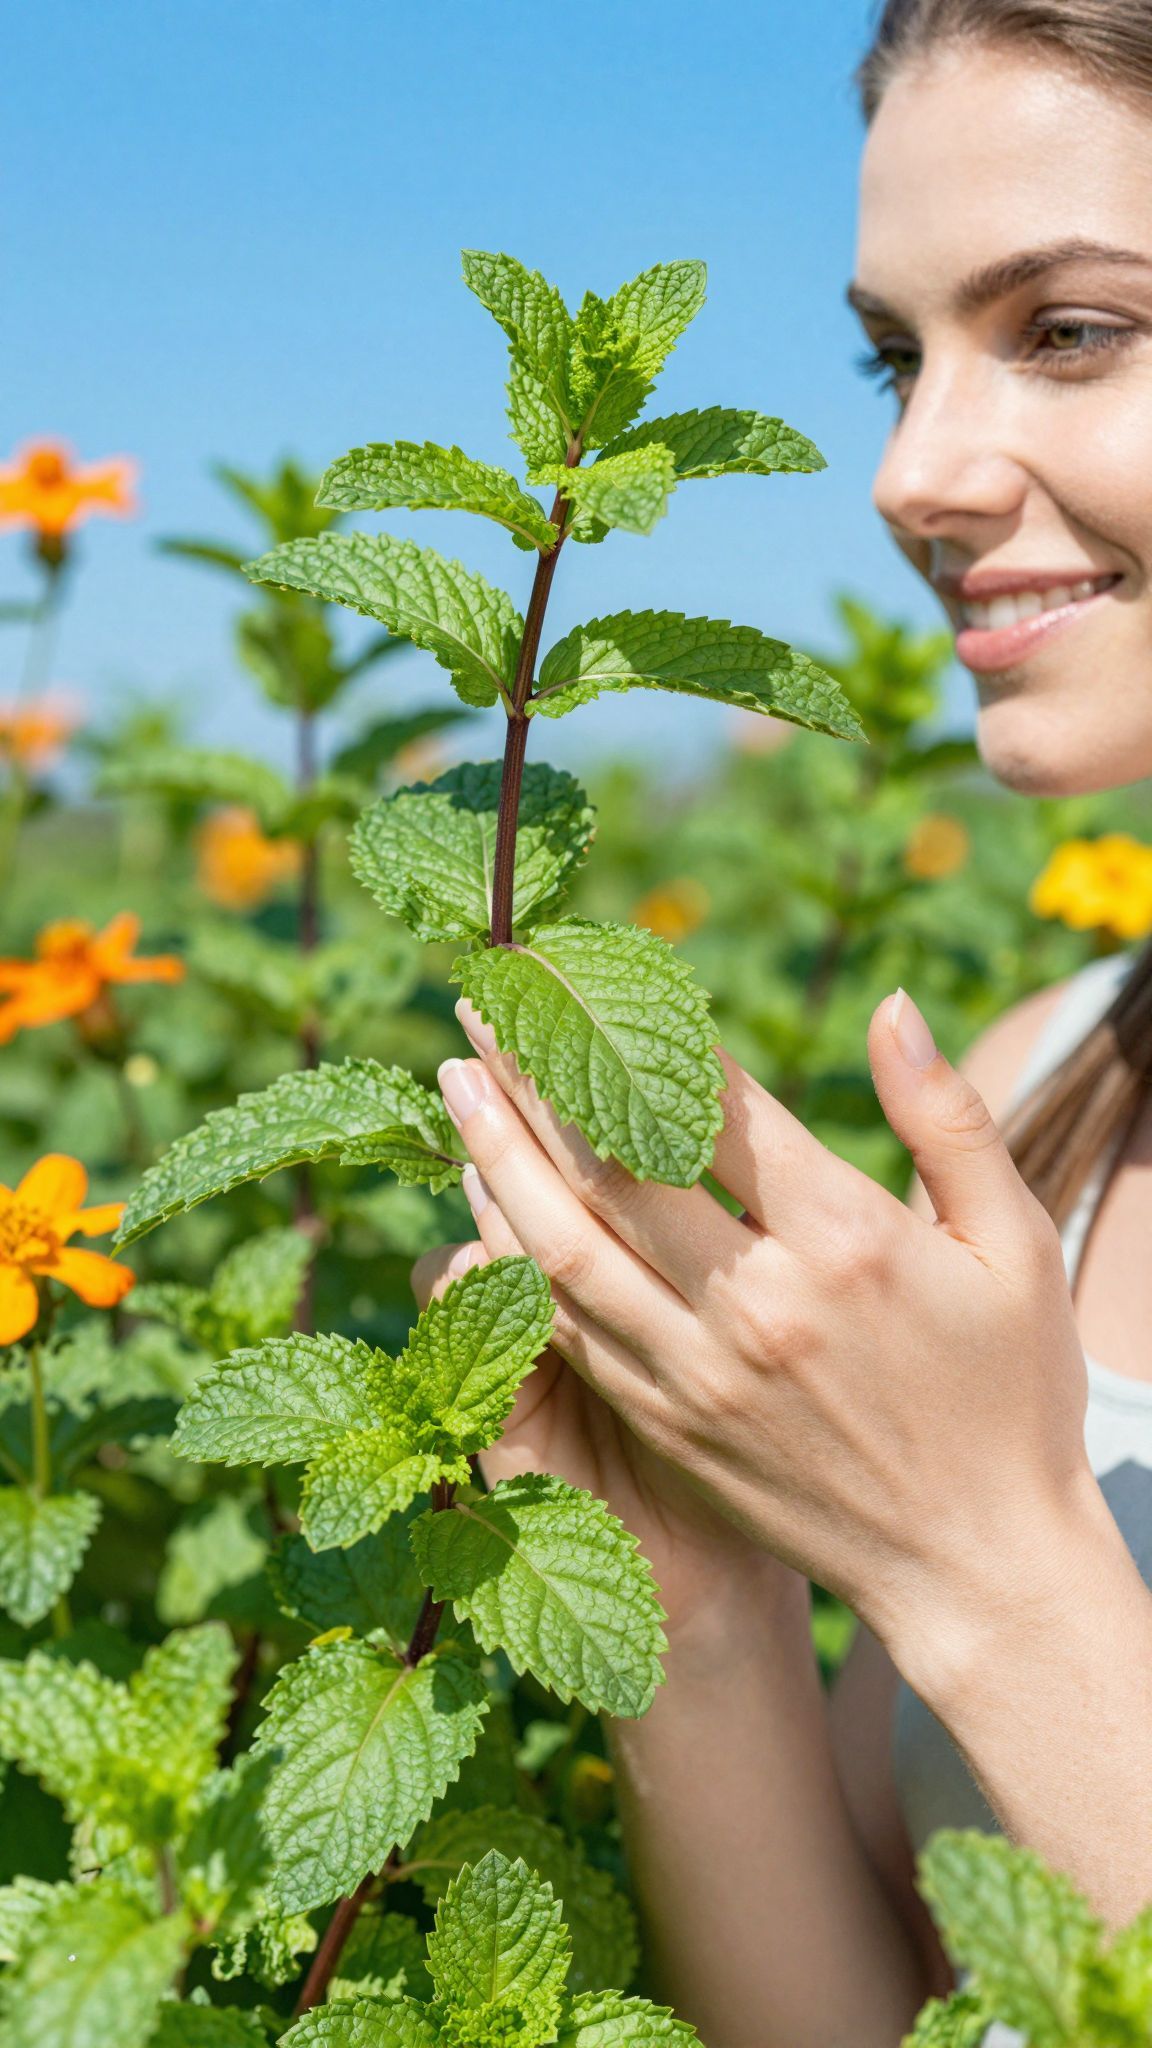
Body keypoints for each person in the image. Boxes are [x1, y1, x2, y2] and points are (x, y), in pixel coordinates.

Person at [413, 4, 1152, 2040]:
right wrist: (705, 1591)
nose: (912, 472)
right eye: (893, 357)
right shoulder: (1042, 1094)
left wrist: (988, 1557)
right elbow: (868, 2015)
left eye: (1074, 329)